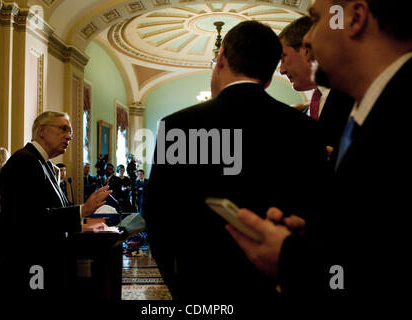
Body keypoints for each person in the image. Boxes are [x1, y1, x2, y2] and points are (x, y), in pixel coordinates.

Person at [227, 0, 412, 301]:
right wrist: (312, 236)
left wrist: (289, 259)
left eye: (316, 19)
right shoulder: (371, 107)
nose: (309, 39)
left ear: (354, 17)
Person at [144, 21, 328, 304]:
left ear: (221, 59)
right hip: (276, 289)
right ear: (268, 77)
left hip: (200, 287)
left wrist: (180, 285)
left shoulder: (177, 126)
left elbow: (157, 214)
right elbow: (317, 217)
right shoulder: (305, 130)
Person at [0, 111, 112, 301]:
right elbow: (30, 218)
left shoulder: (44, 164)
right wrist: (83, 210)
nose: (68, 136)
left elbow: (51, 211)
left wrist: (82, 226)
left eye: (71, 133)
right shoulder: (25, 161)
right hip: (31, 262)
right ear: (42, 131)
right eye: (63, 129)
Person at [279, 16, 354, 154]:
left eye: (283, 57)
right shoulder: (308, 108)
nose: (281, 70)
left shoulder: (354, 93)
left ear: (307, 48)